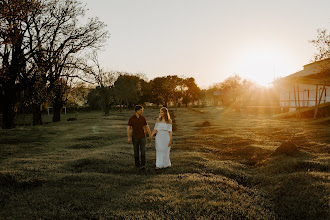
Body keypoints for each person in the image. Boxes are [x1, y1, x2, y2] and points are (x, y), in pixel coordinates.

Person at [127, 105, 152, 169]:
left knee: (143, 151)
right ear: (137, 111)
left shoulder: (143, 118)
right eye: (141, 110)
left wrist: (150, 135)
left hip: (142, 137)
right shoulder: (131, 118)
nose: (142, 111)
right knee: (136, 151)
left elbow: (146, 126)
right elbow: (128, 128)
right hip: (135, 137)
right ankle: (137, 164)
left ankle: (143, 164)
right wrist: (128, 137)